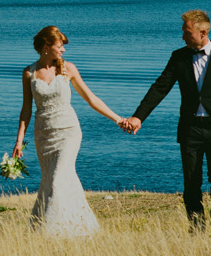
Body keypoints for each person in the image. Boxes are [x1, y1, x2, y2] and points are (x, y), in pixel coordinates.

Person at [119, 9, 211, 233]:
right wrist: (139, 116)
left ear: (203, 32)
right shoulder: (179, 57)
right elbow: (160, 87)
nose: (183, 36)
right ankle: (196, 227)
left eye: (187, 32)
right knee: (191, 182)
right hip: (190, 129)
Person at [13, 25, 128, 237]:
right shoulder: (29, 72)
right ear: (46, 47)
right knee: (50, 180)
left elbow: (91, 99)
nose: (63, 51)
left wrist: (118, 119)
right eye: (59, 46)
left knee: (57, 178)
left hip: (68, 131)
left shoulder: (68, 69)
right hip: (43, 135)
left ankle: (54, 232)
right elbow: (26, 109)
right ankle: (68, 229)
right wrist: (19, 141)